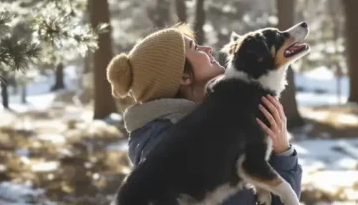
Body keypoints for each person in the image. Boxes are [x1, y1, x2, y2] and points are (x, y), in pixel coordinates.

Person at [106, 24, 302, 204]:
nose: (207, 49)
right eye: (195, 48)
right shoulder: (168, 142)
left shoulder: (221, 120)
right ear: (183, 76)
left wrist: (282, 151)